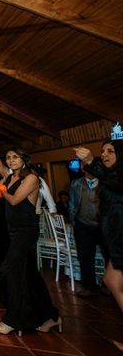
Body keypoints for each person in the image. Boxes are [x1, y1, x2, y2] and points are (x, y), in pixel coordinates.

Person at [0, 124, 60, 335]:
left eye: (14, 157)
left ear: (23, 159)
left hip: (26, 231)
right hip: (13, 231)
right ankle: (51, 316)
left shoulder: (32, 178)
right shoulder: (8, 175)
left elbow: (14, 200)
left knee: (10, 273)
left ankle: (13, 320)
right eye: (9, 157)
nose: (10, 160)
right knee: (31, 276)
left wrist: (0, 189)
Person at [75, 141, 123, 351]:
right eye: (102, 151)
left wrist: (89, 161)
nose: (104, 154)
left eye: (110, 151)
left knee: (112, 280)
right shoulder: (109, 177)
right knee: (111, 280)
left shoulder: (118, 176)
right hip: (116, 238)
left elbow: (111, 179)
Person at [68, 170, 103, 297]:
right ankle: (90, 287)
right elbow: (71, 203)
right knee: (85, 257)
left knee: (110, 256)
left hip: (103, 226)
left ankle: (110, 285)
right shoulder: (76, 183)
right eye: (84, 165)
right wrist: (74, 222)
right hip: (82, 226)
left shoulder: (104, 182)